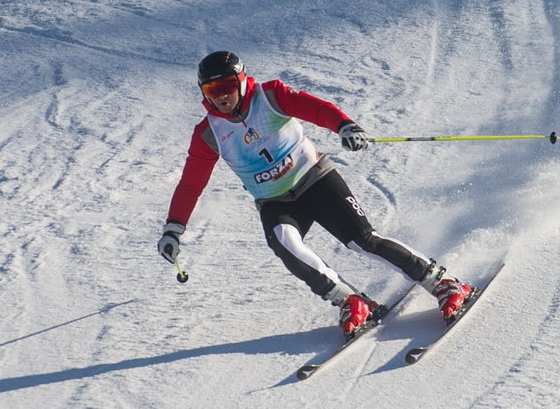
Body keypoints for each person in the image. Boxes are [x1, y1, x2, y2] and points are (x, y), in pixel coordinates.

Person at [157, 51, 473, 338]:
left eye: (226, 86)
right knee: (285, 243)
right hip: (274, 201)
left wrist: (344, 125)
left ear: (241, 81)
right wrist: (174, 227)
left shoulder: (270, 96)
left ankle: (443, 283)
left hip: (315, 179)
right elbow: (190, 183)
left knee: (363, 240)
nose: (222, 97)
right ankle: (349, 300)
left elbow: (315, 109)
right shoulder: (208, 133)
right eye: (213, 91)